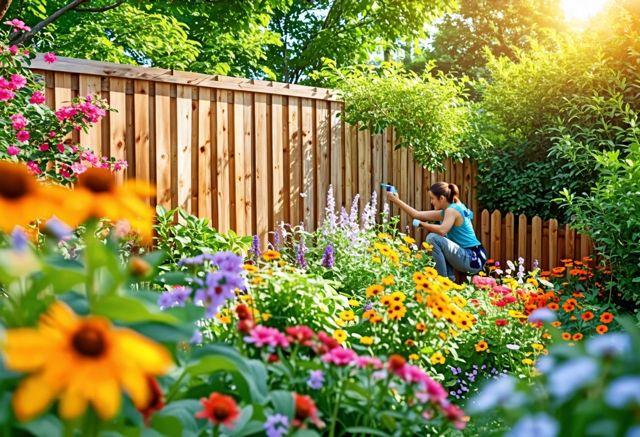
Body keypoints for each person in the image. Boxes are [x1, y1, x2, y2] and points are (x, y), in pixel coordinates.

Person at [386, 182, 487, 281]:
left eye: (432, 198)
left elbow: (442, 230)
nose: (431, 202)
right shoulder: (449, 210)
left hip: (473, 257)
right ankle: (449, 283)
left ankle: (442, 281)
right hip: (474, 256)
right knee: (441, 242)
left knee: (433, 238)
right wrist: (395, 200)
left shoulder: (452, 210)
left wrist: (422, 224)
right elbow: (416, 214)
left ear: (442, 198)